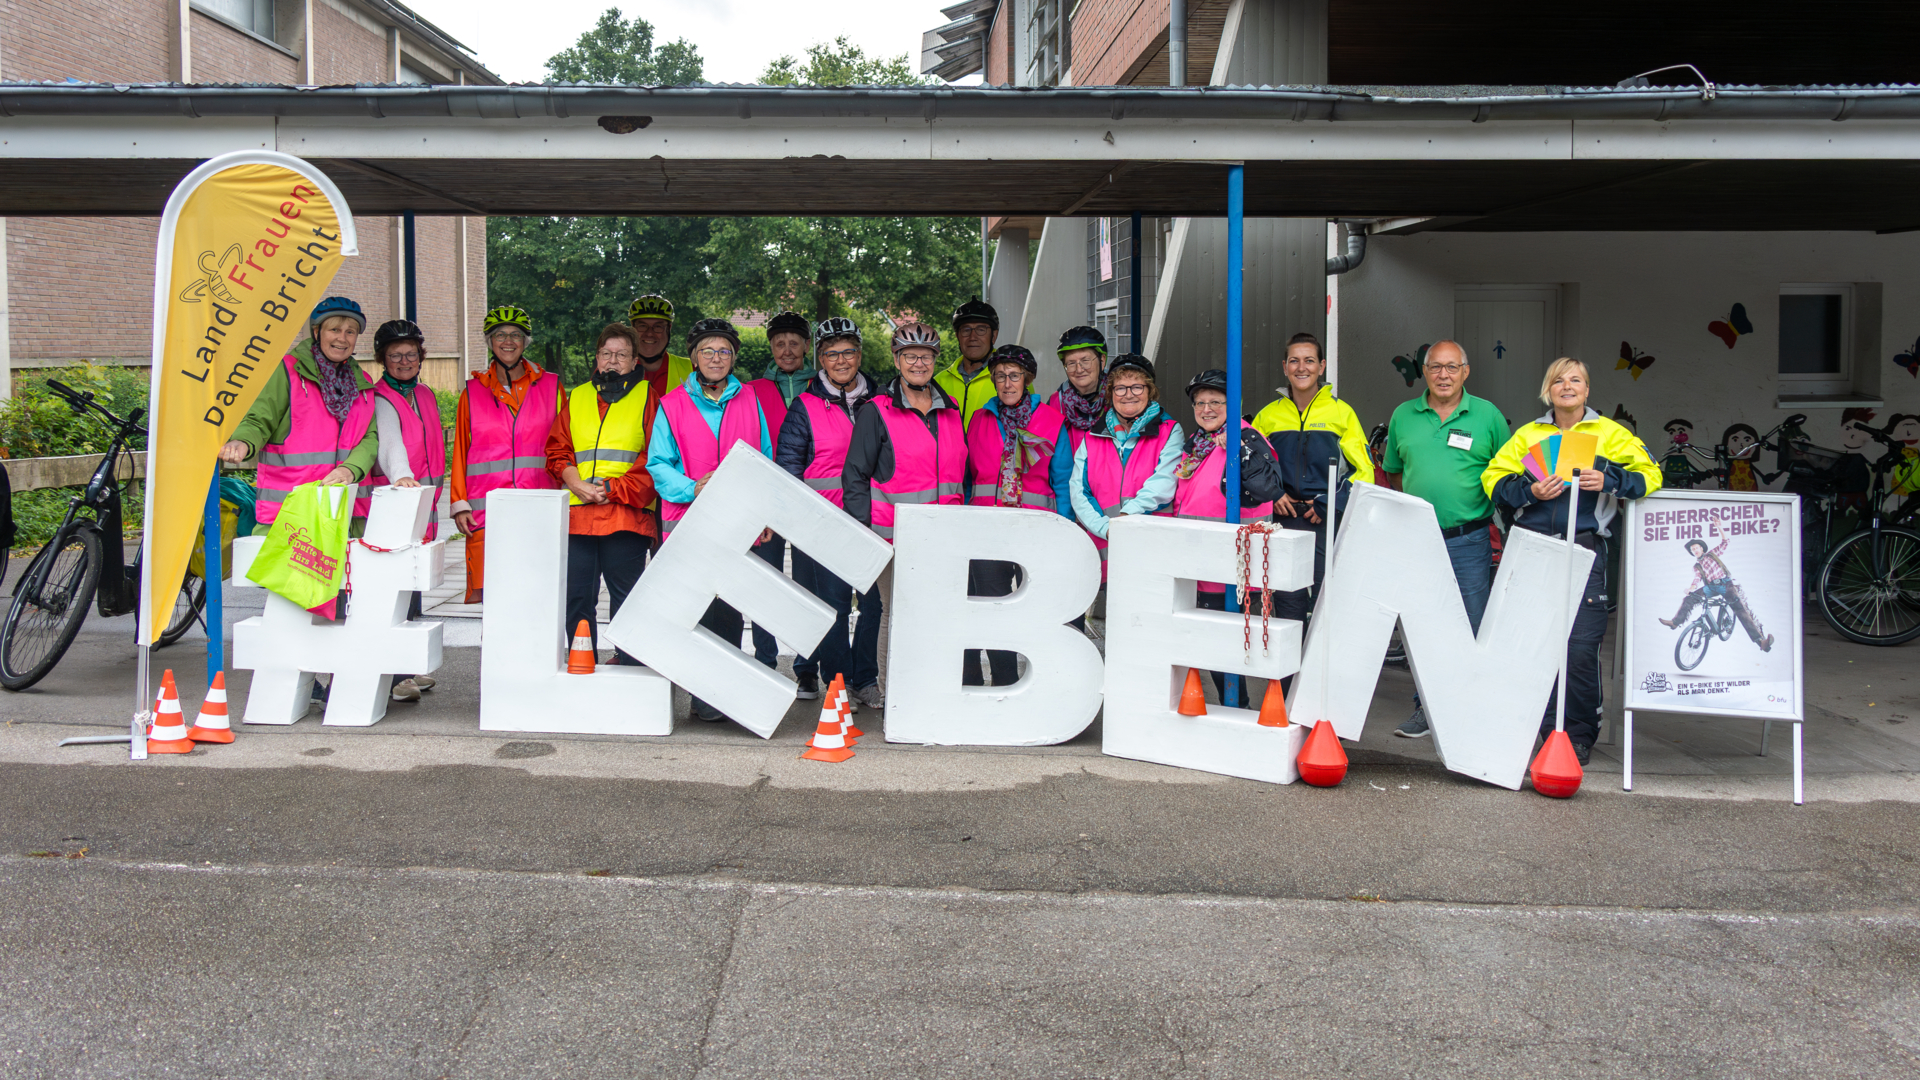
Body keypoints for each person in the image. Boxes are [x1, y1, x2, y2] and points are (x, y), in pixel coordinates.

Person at [1484, 357, 1662, 766]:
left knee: (1580, 647)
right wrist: (1530, 491)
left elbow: (1651, 475)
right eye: (1558, 380)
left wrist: (1612, 480)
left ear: (1587, 390)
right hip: (1531, 548)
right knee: (1532, 644)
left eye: (1576, 380)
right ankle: (1542, 730)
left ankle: (1578, 735)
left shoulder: (1610, 433)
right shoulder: (1529, 434)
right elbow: (1493, 479)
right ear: (1548, 390)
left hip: (1583, 548)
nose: (1567, 386)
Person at [647, 317, 776, 722]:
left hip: (738, 524)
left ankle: (728, 695)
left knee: (731, 609)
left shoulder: (750, 400)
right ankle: (703, 695)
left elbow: (765, 460)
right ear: (694, 358)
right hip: (690, 523)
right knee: (697, 610)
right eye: (708, 351)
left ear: (734, 357)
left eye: (723, 351)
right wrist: (692, 488)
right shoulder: (672, 404)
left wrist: (767, 512)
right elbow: (658, 463)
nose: (716, 358)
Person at [1380, 340, 1510, 738]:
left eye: (1452, 367)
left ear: (1466, 371)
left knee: (1469, 627)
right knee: (1422, 627)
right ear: (1424, 371)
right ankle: (1426, 711)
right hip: (1418, 541)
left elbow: (1508, 473)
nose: (1443, 375)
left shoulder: (1488, 416)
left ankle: (1468, 713)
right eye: (1435, 367)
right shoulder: (1404, 415)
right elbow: (1394, 473)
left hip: (1469, 540)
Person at [844, 321, 968, 706]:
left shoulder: (950, 411)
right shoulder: (875, 412)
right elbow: (855, 475)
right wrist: (865, 531)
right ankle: (892, 693)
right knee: (897, 615)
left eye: (926, 356)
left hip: (944, 537)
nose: (919, 363)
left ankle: (931, 688)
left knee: (938, 615)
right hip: (892, 537)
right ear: (897, 361)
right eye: (911, 356)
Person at [777, 316, 882, 705]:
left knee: (874, 605)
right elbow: (789, 466)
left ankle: (866, 678)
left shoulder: (883, 399)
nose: (841, 360)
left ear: (860, 353)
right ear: (820, 358)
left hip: (874, 522)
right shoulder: (804, 405)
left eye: (849, 351)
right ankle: (839, 681)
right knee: (834, 608)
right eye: (832, 353)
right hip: (825, 524)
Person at [1170, 369, 1284, 707]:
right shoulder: (1198, 444)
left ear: (1233, 405)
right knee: (1212, 647)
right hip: (1202, 566)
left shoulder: (1247, 439)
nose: (1206, 409)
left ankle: (1240, 708)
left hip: (1234, 570)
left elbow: (1267, 488)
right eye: (1200, 402)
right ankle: (1233, 708)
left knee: (1229, 648)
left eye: (1215, 402)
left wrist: (1242, 448)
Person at [549, 323, 658, 666]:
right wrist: (573, 481)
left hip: (625, 515)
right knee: (578, 597)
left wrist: (612, 489)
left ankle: (629, 664)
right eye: (606, 354)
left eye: (621, 355)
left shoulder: (647, 396)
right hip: (578, 515)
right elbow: (558, 449)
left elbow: (655, 457)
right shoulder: (577, 396)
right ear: (597, 358)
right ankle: (584, 664)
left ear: (634, 360)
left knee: (626, 598)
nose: (613, 362)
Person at [222, 296, 378, 533]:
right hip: (291, 513)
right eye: (334, 329)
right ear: (317, 332)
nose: (342, 338)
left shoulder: (363, 383)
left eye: (350, 332)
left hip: (345, 512)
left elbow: (370, 437)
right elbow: (260, 418)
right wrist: (242, 441)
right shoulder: (287, 370)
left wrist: (350, 469)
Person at [1251, 331, 1375, 632]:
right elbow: (1249, 464)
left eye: (1309, 361)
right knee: (1286, 602)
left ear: (1321, 366)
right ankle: (1290, 678)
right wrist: (1272, 493)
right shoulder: (1269, 416)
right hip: (1282, 520)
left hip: (1325, 520)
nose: (1301, 367)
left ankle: (1321, 676)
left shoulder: (1340, 413)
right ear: (1284, 366)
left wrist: (1329, 503)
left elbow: (1364, 471)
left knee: (1327, 602)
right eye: (1294, 361)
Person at [961, 344, 1067, 686]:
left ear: (1029, 379)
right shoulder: (980, 418)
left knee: (1033, 612)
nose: (1007, 383)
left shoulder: (1052, 420)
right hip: (986, 531)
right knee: (992, 610)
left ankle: (1040, 684)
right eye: (1000, 376)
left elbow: (1062, 480)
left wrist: (1063, 530)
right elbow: (967, 476)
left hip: (1034, 531)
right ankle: (1004, 681)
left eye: (1015, 376)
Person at [449, 305, 562, 604]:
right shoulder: (471, 393)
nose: (508, 341)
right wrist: (459, 501)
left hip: (539, 506)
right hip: (487, 510)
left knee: (538, 592)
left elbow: (565, 446)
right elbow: (460, 450)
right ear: (489, 341)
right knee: (494, 595)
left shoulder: (552, 387)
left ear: (526, 342)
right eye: (500, 334)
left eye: (516, 335)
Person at [367, 318, 445, 703]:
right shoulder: (380, 398)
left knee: (412, 586)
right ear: (383, 359)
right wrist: (401, 476)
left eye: (410, 354)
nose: (404, 361)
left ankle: (407, 667)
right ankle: (395, 675)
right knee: (393, 589)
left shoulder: (425, 395)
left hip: (422, 505)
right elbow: (390, 444)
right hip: (396, 502)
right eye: (395, 355)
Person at [740, 310, 814, 676]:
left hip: (809, 502)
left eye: (794, 343)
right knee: (763, 582)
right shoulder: (751, 390)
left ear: (806, 346)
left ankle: (806, 668)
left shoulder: (820, 386)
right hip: (764, 502)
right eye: (780, 343)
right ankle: (765, 661)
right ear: (771, 346)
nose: (786, 350)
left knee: (807, 588)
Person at [1068, 354, 1183, 578]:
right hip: (1106, 545)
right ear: (1111, 393)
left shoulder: (1169, 430)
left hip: (1153, 546)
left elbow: (1165, 482)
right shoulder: (1092, 436)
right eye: (1120, 388)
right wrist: (1105, 528)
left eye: (1137, 387)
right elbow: (1078, 491)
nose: (1128, 394)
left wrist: (1126, 516)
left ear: (1150, 391)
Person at [1659, 521, 1774, 652]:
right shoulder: (1696, 566)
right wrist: (1691, 588)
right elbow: (1697, 579)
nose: (1695, 550)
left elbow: (1725, 543)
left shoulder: (1712, 555)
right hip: (1711, 588)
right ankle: (1675, 622)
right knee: (1689, 599)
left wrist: (1719, 527)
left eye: (1696, 547)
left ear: (1702, 548)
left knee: (1740, 609)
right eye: (1692, 550)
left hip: (1725, 585)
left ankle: (1760, 642)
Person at [1049, 325, 1108, 524]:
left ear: (1102, 360)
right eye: (1071, 363)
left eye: (1085, 361)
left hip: (1110, 502)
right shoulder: (1055, 403)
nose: (1078, 369)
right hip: (1069, 505)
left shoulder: (1121, 399)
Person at [934, 298, 1000, 426]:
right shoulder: (938, 382)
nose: (973, 337)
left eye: (981, 330)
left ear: (994, 335)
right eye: (966, 330)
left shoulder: (1013, 378)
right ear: (957, 336)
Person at [630, 293, 695, 405]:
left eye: (658, 326)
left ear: (669, 329)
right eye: (642, 326)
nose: (649, 333)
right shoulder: (614, 369)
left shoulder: (693, 370)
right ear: (632, 329)